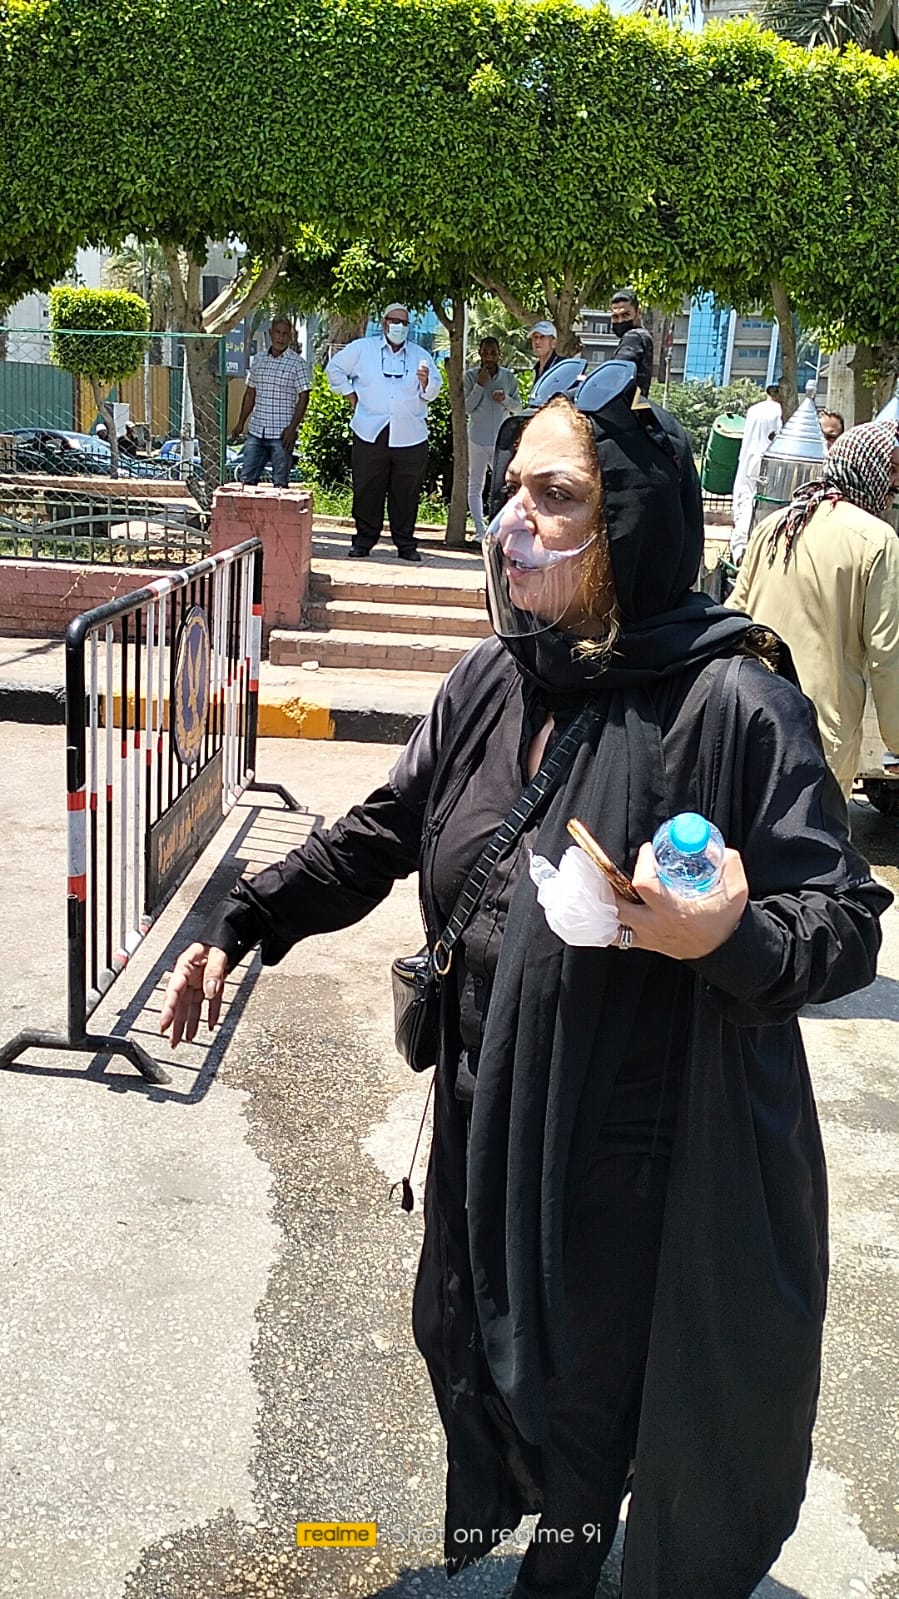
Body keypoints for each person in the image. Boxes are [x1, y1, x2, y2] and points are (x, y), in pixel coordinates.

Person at [161, 374, 889, 1599]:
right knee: (489, 1363)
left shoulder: (728, 701)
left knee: (583, 1411)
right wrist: (244, 918)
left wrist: (726, 936)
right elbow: (386, 829)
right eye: (512, 492)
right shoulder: (495, 682)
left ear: (632, 521)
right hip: (487, 1121)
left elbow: (842, 922)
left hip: (629, 1159)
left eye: (555, 497)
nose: (514, 523)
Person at [729, 419, 899, 799]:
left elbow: (734, 617)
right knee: (816, 834)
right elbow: (887, 656)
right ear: (866, 467)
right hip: (819, 734)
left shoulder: (775, 525)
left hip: (749, 717)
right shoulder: (878, 540)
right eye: (891, 470)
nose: (895, 485)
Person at [325, 304, 441, 562]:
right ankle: (363, 541)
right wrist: (349, 394)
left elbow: (433, 391)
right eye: (393, 321)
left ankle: (406, 545)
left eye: (404, 322)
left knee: (406, 493)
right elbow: (334, 369)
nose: (398, 326)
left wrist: (425, 382)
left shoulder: (420, 355)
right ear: (384, 322)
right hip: (370, 431)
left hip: (410, 435)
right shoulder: (362, 349)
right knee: (367, 488)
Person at [229, 316, 311, 487]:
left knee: (280, 484)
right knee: (246, 481)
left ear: (290, 336)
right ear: (270, 333)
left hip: (282, 435)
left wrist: (292, 428)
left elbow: (304, 397)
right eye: (277, 332)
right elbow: (250, 393)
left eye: (285, 334)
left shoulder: (298, 364)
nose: (281, 337)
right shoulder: (259, 360)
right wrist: (240, 423)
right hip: (257, 432)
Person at [463, 336, 521, 541]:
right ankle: (480, 531)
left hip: (500, 442)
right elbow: (467, 407)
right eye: (485, 352)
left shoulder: (508, 378)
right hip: (476, 439)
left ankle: (499, 529)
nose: (489, 357)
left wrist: (505, 399)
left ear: (499, 354)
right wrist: (480, 385)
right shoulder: (470, 377)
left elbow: (518, 407)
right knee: (475, 485)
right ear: (479, 353)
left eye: (493, 353)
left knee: (504, 485)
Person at [729, 382, 783, 563]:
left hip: (749, 458)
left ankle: (740, 552)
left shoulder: (753, 410)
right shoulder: (780, 412)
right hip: (771, 462)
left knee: (745, 502)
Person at [608, 288, 654, 396]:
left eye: (625, 315)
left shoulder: (634, 336)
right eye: (615, 317)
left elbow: (617, 372)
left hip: (624, 404)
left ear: (638, 313)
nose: (620, 321)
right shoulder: (643, 336)